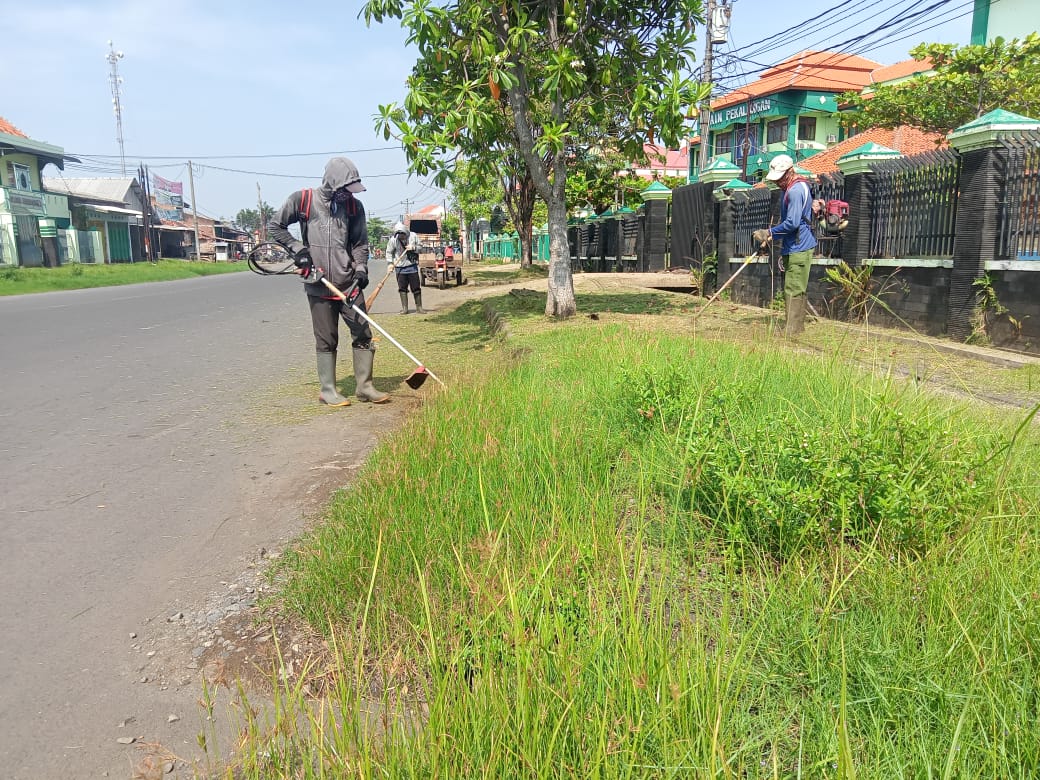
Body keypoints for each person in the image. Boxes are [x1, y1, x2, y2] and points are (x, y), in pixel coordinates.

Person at [268, 157, 390, 407]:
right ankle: (327, 390)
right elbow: (275, 227)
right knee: (326, 338)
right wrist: (298, 249)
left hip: (348, 283)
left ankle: (365, 387)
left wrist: (361, 268)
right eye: (346, 190)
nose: (349, 196)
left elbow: (360, 243)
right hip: (318, 282)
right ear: (334, 184)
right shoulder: (302, 201)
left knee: (363, 332)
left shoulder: (355, 208)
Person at [753, 154, 817, 336]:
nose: (778, 182)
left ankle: (791, 331)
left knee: (793, 288)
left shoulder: (796, 191)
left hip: (799, 245)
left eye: (781, 177)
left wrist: (769, 232)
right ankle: (796, 327)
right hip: (794, 245)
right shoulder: (790, 188)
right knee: (795, 287)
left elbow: (792, 223)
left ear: (790, 172)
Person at [385, 222, 423, 314]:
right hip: (400, 268)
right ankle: (405, 308)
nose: (400, 236)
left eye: (402, 234)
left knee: (416, 288)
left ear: (405, 232)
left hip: (412, 266)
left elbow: (421, 248)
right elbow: (389, 252)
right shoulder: (393, 240)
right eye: (398, 234)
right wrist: (390, 263)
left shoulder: (413, 236)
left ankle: (419, 308)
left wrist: (413, 247)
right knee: (402, 288)